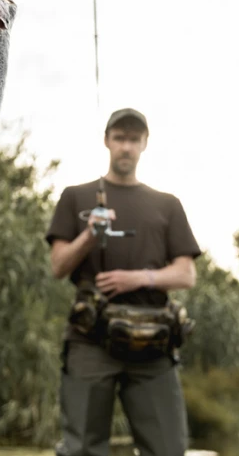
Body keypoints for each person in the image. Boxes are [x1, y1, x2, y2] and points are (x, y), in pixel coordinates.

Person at [44, 108, 202, 456]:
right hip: (90, 341)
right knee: (82, 449)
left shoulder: (167, 204)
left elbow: (186, 274)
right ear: (107, 141)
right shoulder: (76, 197)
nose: (126, 147)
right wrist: (88, 235)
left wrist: (139, 278)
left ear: (145, 144)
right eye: (119, 138)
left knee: (168, 449)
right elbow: (57, 267)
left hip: (153, 345)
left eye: (134, 139)